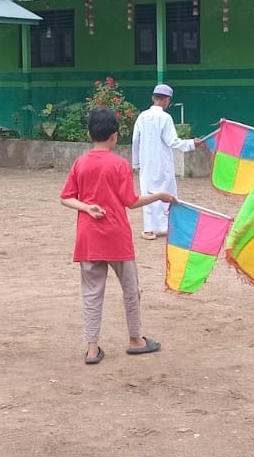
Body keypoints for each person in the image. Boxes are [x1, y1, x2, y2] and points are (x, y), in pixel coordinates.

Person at [62, 108, 174, 365]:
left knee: (91, 293)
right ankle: (136, 339)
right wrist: (159, 195)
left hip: (89, 237)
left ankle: (92, 347)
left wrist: (87, 207)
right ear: (114, 136)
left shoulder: (81, 163)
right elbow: (131, 201)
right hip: (117, 237)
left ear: (90, 134)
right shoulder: (119, 164)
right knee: (131, 290)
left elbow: (66, 197)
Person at [130, 84, 199, 241]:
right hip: (163, 164)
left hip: (146, 164)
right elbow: (172, 141)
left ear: (153, 98)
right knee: (167, 194)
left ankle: (150, 230)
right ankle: (168, 226)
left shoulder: (142, 116)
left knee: (148, 194)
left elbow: (135, 140)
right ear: (167, 100)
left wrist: (136, 163)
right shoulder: (165, 118)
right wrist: (191, 143)